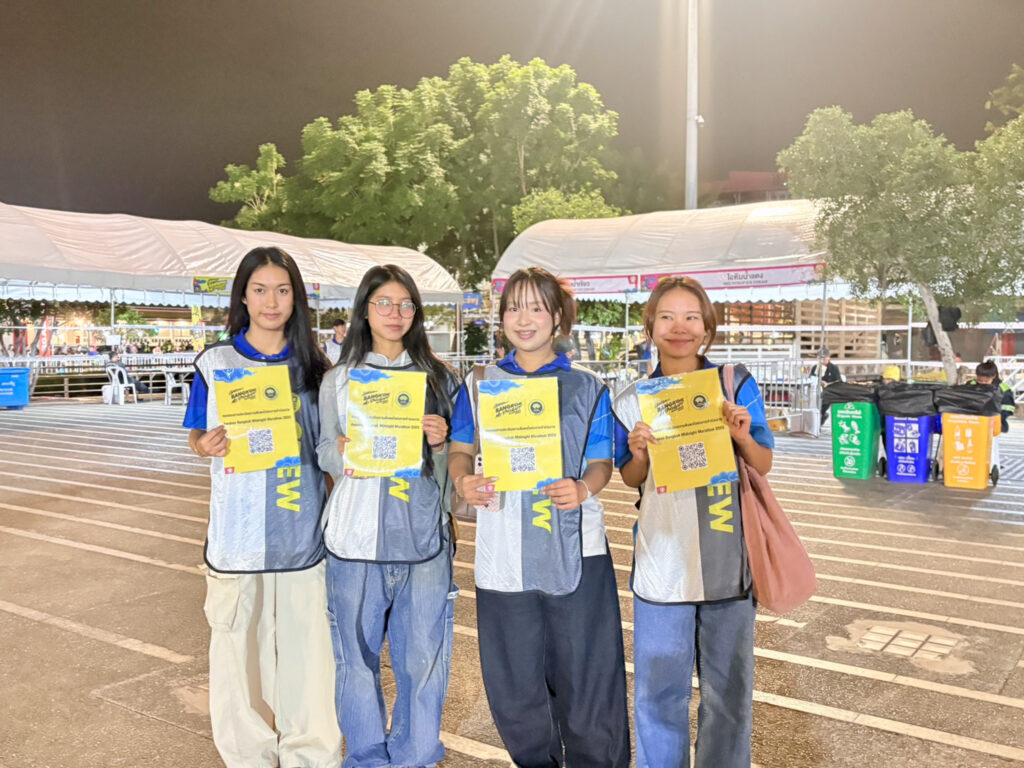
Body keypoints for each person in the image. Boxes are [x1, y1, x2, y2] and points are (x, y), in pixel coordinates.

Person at [448, 267, 630, 768]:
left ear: (557, 318)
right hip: (504, 548)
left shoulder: (587, 387)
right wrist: (463, 481)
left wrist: (584, 487)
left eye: (536, 307)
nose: (523, 318)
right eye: (513, 307)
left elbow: (601, 461)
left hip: (577, 547)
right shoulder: (479, 383)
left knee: (587, 676)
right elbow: (460, 450)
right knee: (515, 683)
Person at [183, 246, 340, 768]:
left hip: (303, 536)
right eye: (260, 290)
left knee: (308, 655)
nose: (271, 301)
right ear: (243, 297)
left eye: (282, 290)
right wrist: (205, 446)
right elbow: (196, 435)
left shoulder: (318, 369)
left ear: (296, 299)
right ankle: (248, 756)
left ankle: (309, 755)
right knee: (236, 654)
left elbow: (329, 451)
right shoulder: (215, 363)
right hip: (238, 536)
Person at [612, 276, 774, 768]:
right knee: (659, 692)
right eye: (666, 317)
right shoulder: (632, 397)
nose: (679, 327)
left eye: (690, 317)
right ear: (650, 326)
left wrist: (741, 436)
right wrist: (639, 452)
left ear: (707, 327)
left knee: (728, 693)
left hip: (727, 559)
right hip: (662, 561)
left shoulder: (733, 384)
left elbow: (763, 462)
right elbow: (630, 477)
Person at [317, 265, 459, 768]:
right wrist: (340, 450)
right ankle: (367, 759)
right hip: (354, 539)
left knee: (423, 661)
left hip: (423, 540)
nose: (395, 314)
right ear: (364, 310)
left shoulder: (441, 379)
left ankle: (416, 755)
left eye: (405, 304)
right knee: (355, 662)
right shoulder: (338, 380)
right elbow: (322, 451)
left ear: (416, 313)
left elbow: (458, 465)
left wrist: (440, 444)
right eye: (383, 303)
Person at [972, 359, 1014, 433]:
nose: (983, 383)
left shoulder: (1003, 389)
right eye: (980, 380)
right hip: (974, 422)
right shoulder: (971, 385)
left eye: (986, 381)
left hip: (996, 425)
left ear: (993, 376)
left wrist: (995, 419)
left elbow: (1008, 408)